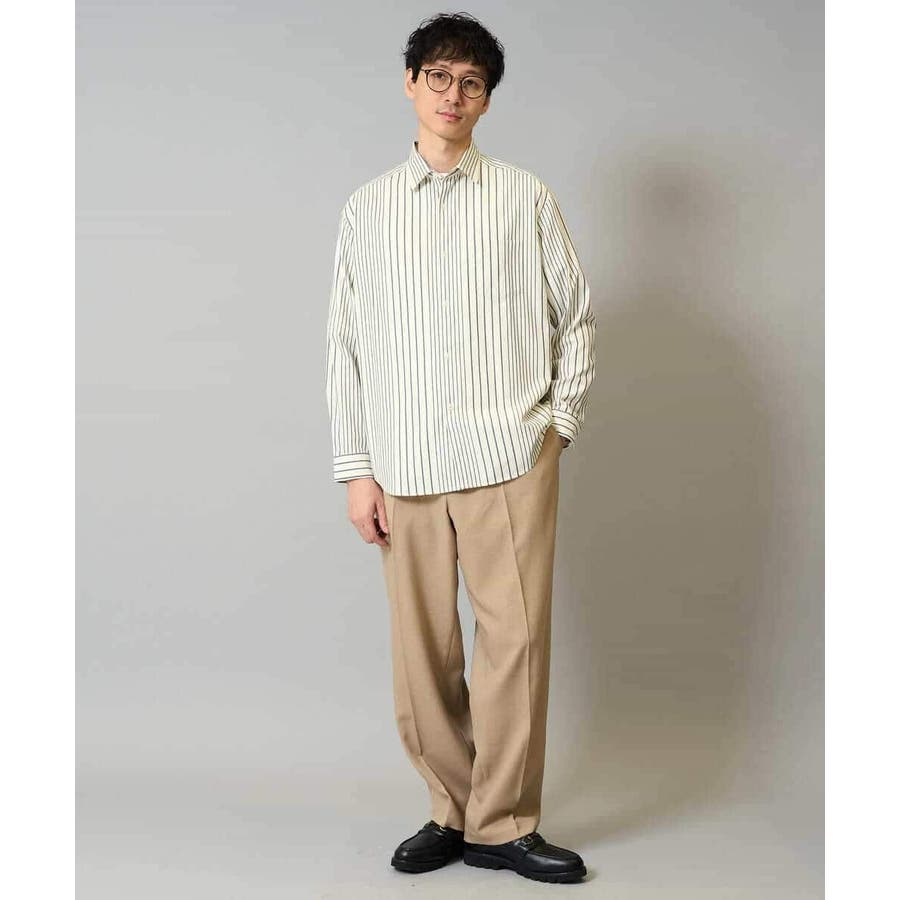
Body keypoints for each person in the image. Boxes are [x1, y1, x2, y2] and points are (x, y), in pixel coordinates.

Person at [324, 11, 595, 885]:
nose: (453, 94)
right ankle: (451, 808)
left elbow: (576, 320)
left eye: (471, 82)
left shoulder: (525, 196)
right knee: (423, 651)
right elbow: (344, 346)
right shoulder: (367, 209)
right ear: (411, 84)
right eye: (438, 76)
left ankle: (504, 823)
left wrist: (555, 427)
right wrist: (356, 468)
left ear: (487, 100)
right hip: (401, 464)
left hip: (508, 456)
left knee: (515, 642)